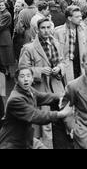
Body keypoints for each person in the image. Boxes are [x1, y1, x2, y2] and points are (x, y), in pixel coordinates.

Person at [19, 17, 66, 149]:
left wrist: (60, 68)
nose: (46, 31)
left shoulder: (56, 43)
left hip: (57, 86)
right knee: (44, 125)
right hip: (40, 88)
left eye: (48, 27)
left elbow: (63, 61)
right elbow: (22, 70)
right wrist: (39, 71)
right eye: (43, 28)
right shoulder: (29, 48)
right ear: (37, 30)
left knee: (61, 119)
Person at [0, 68, 72, 149]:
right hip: (12, 143)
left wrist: (61, 96)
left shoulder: (29, 90)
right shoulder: (15, 99)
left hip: (26, 138)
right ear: (16, 80)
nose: (26, 79)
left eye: (28, 76)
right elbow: (36, 115)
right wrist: (60, 114)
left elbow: (43, 97)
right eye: (22, 76)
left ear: (32, 79)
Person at [54, 6, 87, 83]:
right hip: (66, 67)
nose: (80, 18)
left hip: (81, 66)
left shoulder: (84, 30)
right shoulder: (59, 32)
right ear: (69, 18)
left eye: (80, 16)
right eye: (77, 17)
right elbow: (56, 54)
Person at [0, 0, 14, 76]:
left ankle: (7, 72)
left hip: (4, 36)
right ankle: (6, 71)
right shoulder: (2, 13)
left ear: (5, 6)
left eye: (2, 5)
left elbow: (1, 26)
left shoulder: (7, 14)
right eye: (0, 5)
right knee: (3, 55)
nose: (1, 7)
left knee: (6, 55)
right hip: (2, 36)